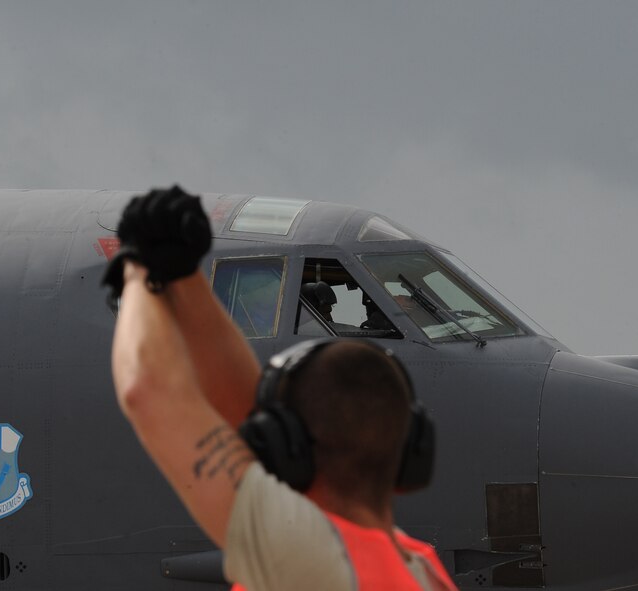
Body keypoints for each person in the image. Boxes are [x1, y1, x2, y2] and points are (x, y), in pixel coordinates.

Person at [103, 186, 458, 591]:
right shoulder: (420, 571)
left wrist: (136, 270)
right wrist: (184, 277)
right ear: (412, 446)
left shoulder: (305, 555)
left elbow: (149, 394)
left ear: (282, 443)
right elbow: (242, 405)